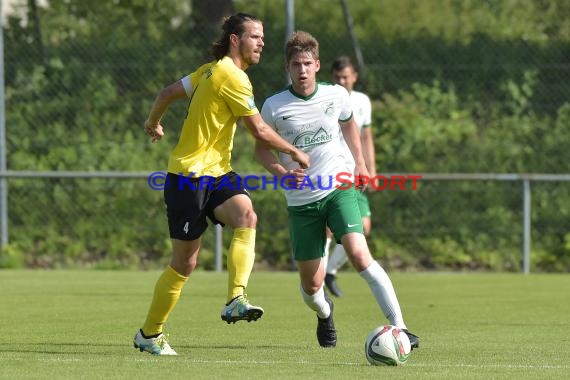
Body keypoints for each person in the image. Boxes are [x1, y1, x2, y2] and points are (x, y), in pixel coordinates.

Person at [134, 13, 310, 356]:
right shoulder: (231, 76)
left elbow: (168, 92)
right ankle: (149, 334)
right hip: (188, 178)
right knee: (184, 263)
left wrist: (153, 122)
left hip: (217, 173)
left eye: (262, 37)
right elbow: (258, 130)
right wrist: (292, 151)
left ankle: (235, 298)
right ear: (235, 39)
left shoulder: (208, 70)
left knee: (247, 216)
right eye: (255, 37)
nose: (261, 42)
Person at [255, 30, 419, 349]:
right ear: (287, 68)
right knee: (311, 287)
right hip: (302, 203)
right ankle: (325, 311)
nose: (301, 70)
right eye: (294, 65)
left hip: (338, 188)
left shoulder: (336, 95)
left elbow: (349, 125)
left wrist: (359, 163)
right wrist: (280, 173)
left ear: (316, 65)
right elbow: (261, 151)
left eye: (306, 63)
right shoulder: (274, 106)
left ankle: (401, 328)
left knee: (359, 254)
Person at [323, 56, 376, 298]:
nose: (342, 81)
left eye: (346, 76)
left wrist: (370, 168)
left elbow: (366, 137)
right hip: (334, 171)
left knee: (363, 227)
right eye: (337, 77)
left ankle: (329, 271)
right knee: (328, 229)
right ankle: (319, 274)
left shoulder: (363, 101)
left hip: (357, 172)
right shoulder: (327, 98)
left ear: (354, 76)